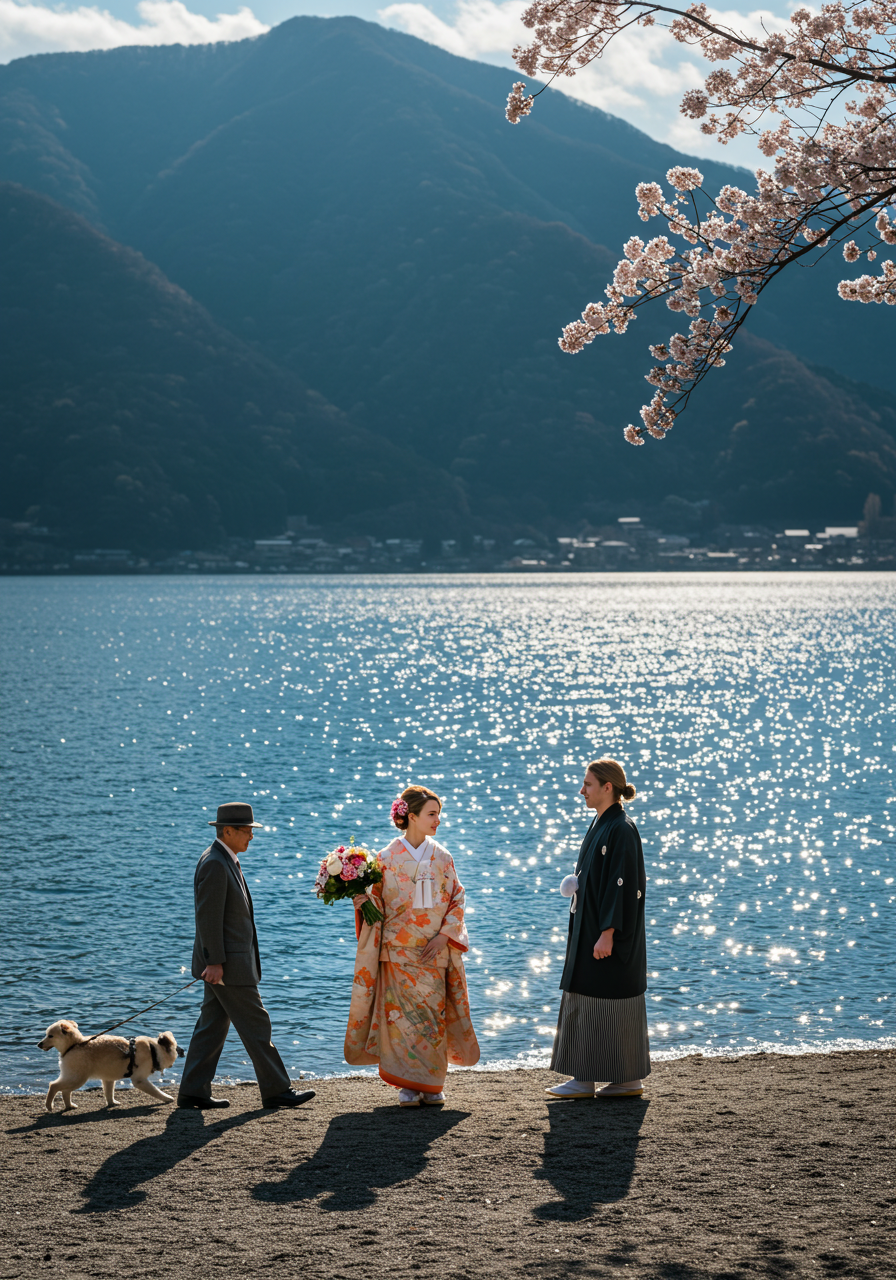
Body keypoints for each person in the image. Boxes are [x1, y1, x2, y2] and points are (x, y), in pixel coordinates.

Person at [344, 785, 480, 1106]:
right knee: (399, 1020)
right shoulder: (386, 858)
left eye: (439, 815)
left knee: (431, 1020)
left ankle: (432, 1084)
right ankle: (407, 1086)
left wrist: (444, 936)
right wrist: (362, 901)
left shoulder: (443, 857)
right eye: (432, 814)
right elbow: (376, 903)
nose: (438, 821)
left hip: (433, 951)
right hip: (396, 952)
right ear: (412, 817)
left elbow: (457, 897)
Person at [178, 802, 315, 1111]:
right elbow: (208, 918)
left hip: (226, 963)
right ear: (228, 831)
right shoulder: (215, 863)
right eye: (248, 831)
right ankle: (277, 1090)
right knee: (257, 1025)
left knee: (211, 1027)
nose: (252, 837)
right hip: (227, 967)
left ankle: (192, 1092)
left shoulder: (224, 859)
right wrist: (214, 962)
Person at [545, 758, 651, 1099]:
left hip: (605, 933)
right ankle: (623, 1078)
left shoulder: (621, 827)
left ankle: (588, 1078)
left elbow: (622, 884)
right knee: (596, 995)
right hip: (590, 925)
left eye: (587, 784)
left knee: (596, 996)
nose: (582, 790)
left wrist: (608, 932)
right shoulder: (603, 822)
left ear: (608, 787)